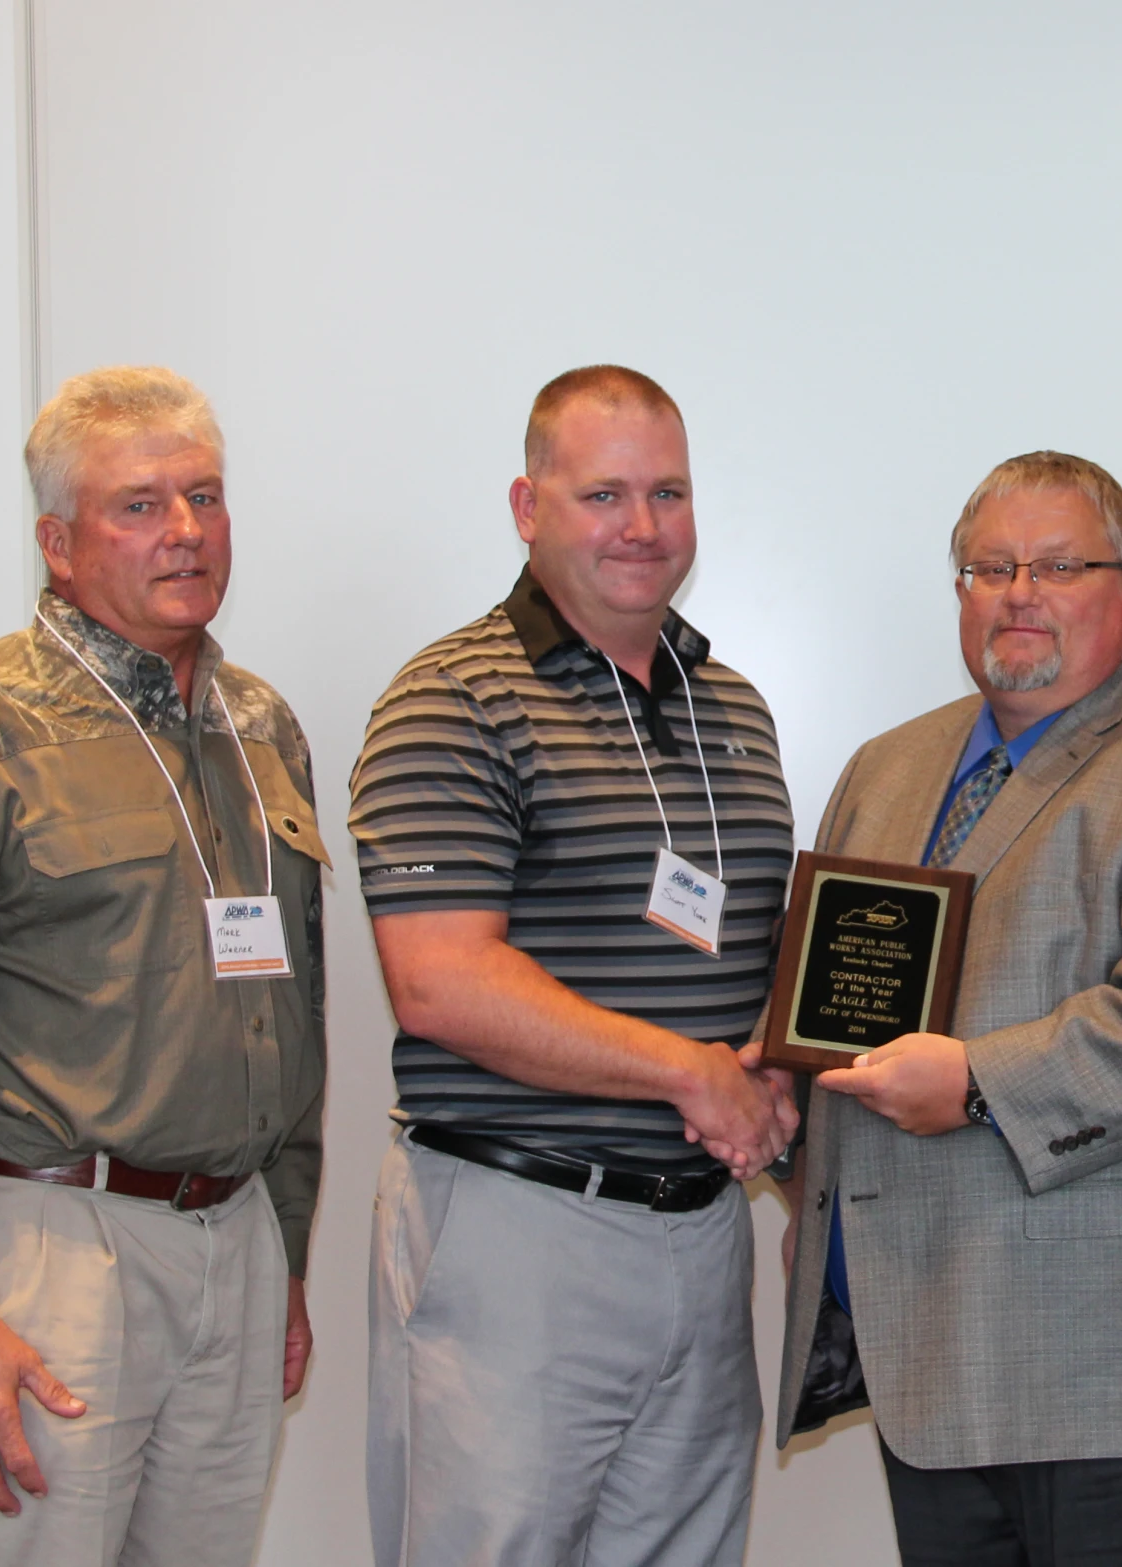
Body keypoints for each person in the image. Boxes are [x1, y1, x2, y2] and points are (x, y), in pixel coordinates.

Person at [773, 450, 1122, 1567]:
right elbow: (837, 999)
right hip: (940, 1366)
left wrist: (976, 1081)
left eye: (1055, 564)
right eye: (988, 567)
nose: (1017, 591)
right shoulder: (888, 769)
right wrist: (782, 1081)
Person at [0, 366, 327, 1565]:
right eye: (140, 505)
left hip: (237, 1245)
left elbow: (292, 1018)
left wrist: (288, 1256)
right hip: (49, 1248)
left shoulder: (261, 724)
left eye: (205, 496)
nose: (185, 531)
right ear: (58, 545)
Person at [350, 365, 796, 1567]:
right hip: (517, 1230)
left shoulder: (736, 712)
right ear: (525, 504)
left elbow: (760, 966)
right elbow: (440, 983)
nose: (641, 527)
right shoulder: (447, 701)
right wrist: (690, 1075)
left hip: (702, 1233)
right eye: (603, 492)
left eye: (668, 491)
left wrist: (778, 1075)